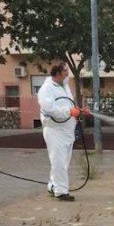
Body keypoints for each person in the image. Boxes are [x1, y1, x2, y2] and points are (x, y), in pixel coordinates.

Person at [37, 63, 88, 201]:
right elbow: (50, 109)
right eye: (65, 71)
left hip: (67, 131)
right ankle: (61, 191)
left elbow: (68, 104)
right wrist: (69, 112)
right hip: (54, 130)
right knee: (58, 161)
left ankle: (53, 185)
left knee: (63, 161)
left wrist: (78, 110)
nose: (67, 74)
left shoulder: (64, 86)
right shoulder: (46, 89)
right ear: (58, 73)